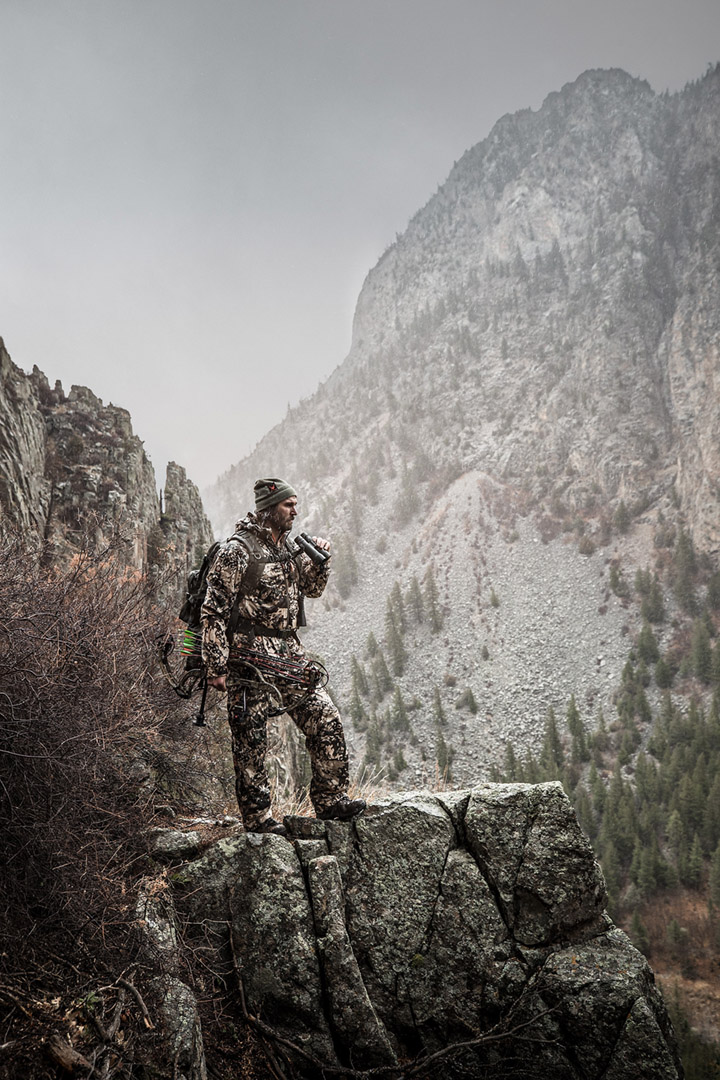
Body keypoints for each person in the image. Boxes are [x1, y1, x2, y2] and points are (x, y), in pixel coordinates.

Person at [200, 477, 365, 836]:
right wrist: (215, 665)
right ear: (270, 507)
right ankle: (259, 822)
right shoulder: (237, 551)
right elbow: (213, 610)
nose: (295, 510)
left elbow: (313, 590)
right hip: (248, 663)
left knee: (325, 718)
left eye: (295, 504)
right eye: (289, 505)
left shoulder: (286, 549)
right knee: (251, 744)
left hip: (290, 658)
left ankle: (331, 801)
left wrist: (321, 560)